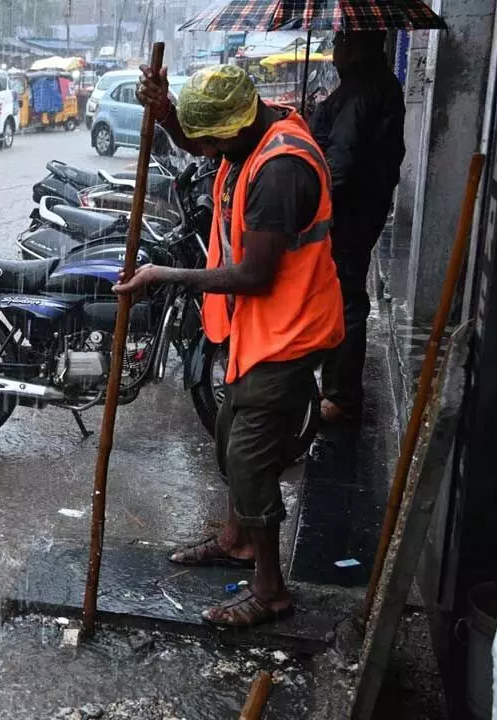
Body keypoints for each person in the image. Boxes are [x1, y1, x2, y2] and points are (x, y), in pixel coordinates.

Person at [114, 64, 345, 627]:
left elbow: (255, 275)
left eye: (214, 140)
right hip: (257, 329)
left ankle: (270, 591)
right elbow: (196, 138)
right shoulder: (249, 139)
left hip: (289, 330)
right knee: (226, 437)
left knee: (249, 457)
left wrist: (167, 274)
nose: (206, 149)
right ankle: (238, 539)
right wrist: (166, 111)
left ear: (239, 126)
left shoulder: (280, 170)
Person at [307, 31, 405, 423]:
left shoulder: (362, 91)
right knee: (343, 296)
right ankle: (337, 386)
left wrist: (313, 205)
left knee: (345, 301)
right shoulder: (371, 85)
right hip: (361, 209)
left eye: (339, 43)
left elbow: (341, 161)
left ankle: (341, 396)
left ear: (355, 47)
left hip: (349, 214)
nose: (333, 53)